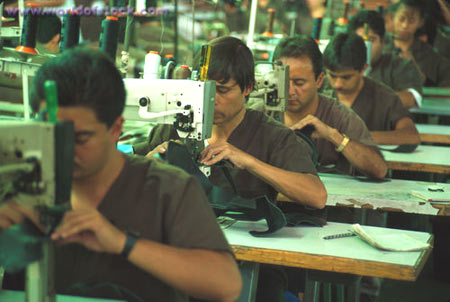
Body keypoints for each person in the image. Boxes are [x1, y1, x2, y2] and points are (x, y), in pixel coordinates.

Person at [0, 48, 242, 302]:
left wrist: (123, 243)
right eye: (50, 133)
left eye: (80, 138)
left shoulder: (167, 189)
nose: (63, 150)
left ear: (116, 129)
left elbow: (226, 286)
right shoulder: (20, 184)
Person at [139, 36, 327, 302]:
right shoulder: (176, 126)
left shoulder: (273, 136)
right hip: (184, 255)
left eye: (223, 90)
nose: (211, 99)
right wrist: (147, 163)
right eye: (204, 89)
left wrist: (248, 160)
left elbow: (316, 195)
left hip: (250, 267)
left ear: (248, 87)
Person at [271, 35, 387, 178]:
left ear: (319, 80)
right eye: (282, 82)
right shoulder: (261, 113)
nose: (289, 91)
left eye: (299, 83)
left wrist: (333, 136)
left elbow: (379, 170)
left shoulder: (340, 117)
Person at [322, 33, 420, 146]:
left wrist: (353, 137)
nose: (338, 84)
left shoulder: (384, 98)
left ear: (364, 69)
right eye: (332, 76)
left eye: (346, 77)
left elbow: (411, 136)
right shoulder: (317, 89)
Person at [348, 9, 423, 108]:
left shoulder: (401, 66)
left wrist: (368, 98)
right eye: (359, 40)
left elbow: (411, 98)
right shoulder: (342, 65)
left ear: (382, 43)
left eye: (371, 40)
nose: (365, 46)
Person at [384, 0, 450, 87]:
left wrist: (420, 76)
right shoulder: (381, 48)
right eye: (401, 19)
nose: (405, 25)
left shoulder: (430, 55)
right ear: (392, 18)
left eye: (411, 21)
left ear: (420, 23)